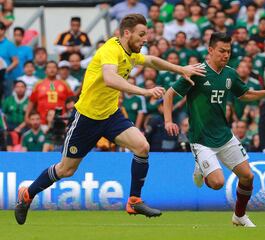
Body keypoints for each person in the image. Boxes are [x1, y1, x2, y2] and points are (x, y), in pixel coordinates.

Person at [15, 14, 205, 224]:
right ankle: (27, 194)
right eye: (141, 35)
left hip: (111, 115)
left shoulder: (131, 52)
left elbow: (150, 60)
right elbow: (110, 78)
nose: (145, 39)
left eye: (146, 35)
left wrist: (181, 69)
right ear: (126, 33)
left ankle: (134, 200)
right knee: (66, 169)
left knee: (142, 146)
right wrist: (144, 91)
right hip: (87, 118)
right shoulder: (110, 49)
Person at [163, 32, 265, 227]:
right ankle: (201, 168)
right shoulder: (196, 72)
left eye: (228, 51)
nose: (226, 55)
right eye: (222, 51)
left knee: (248, 176)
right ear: (210, 50)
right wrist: (169, 121)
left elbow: (244, 94)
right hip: (201, 138)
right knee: (217, 183)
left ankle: (239, 216)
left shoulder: (230, 73)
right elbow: (169, 94)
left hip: (224, 135)